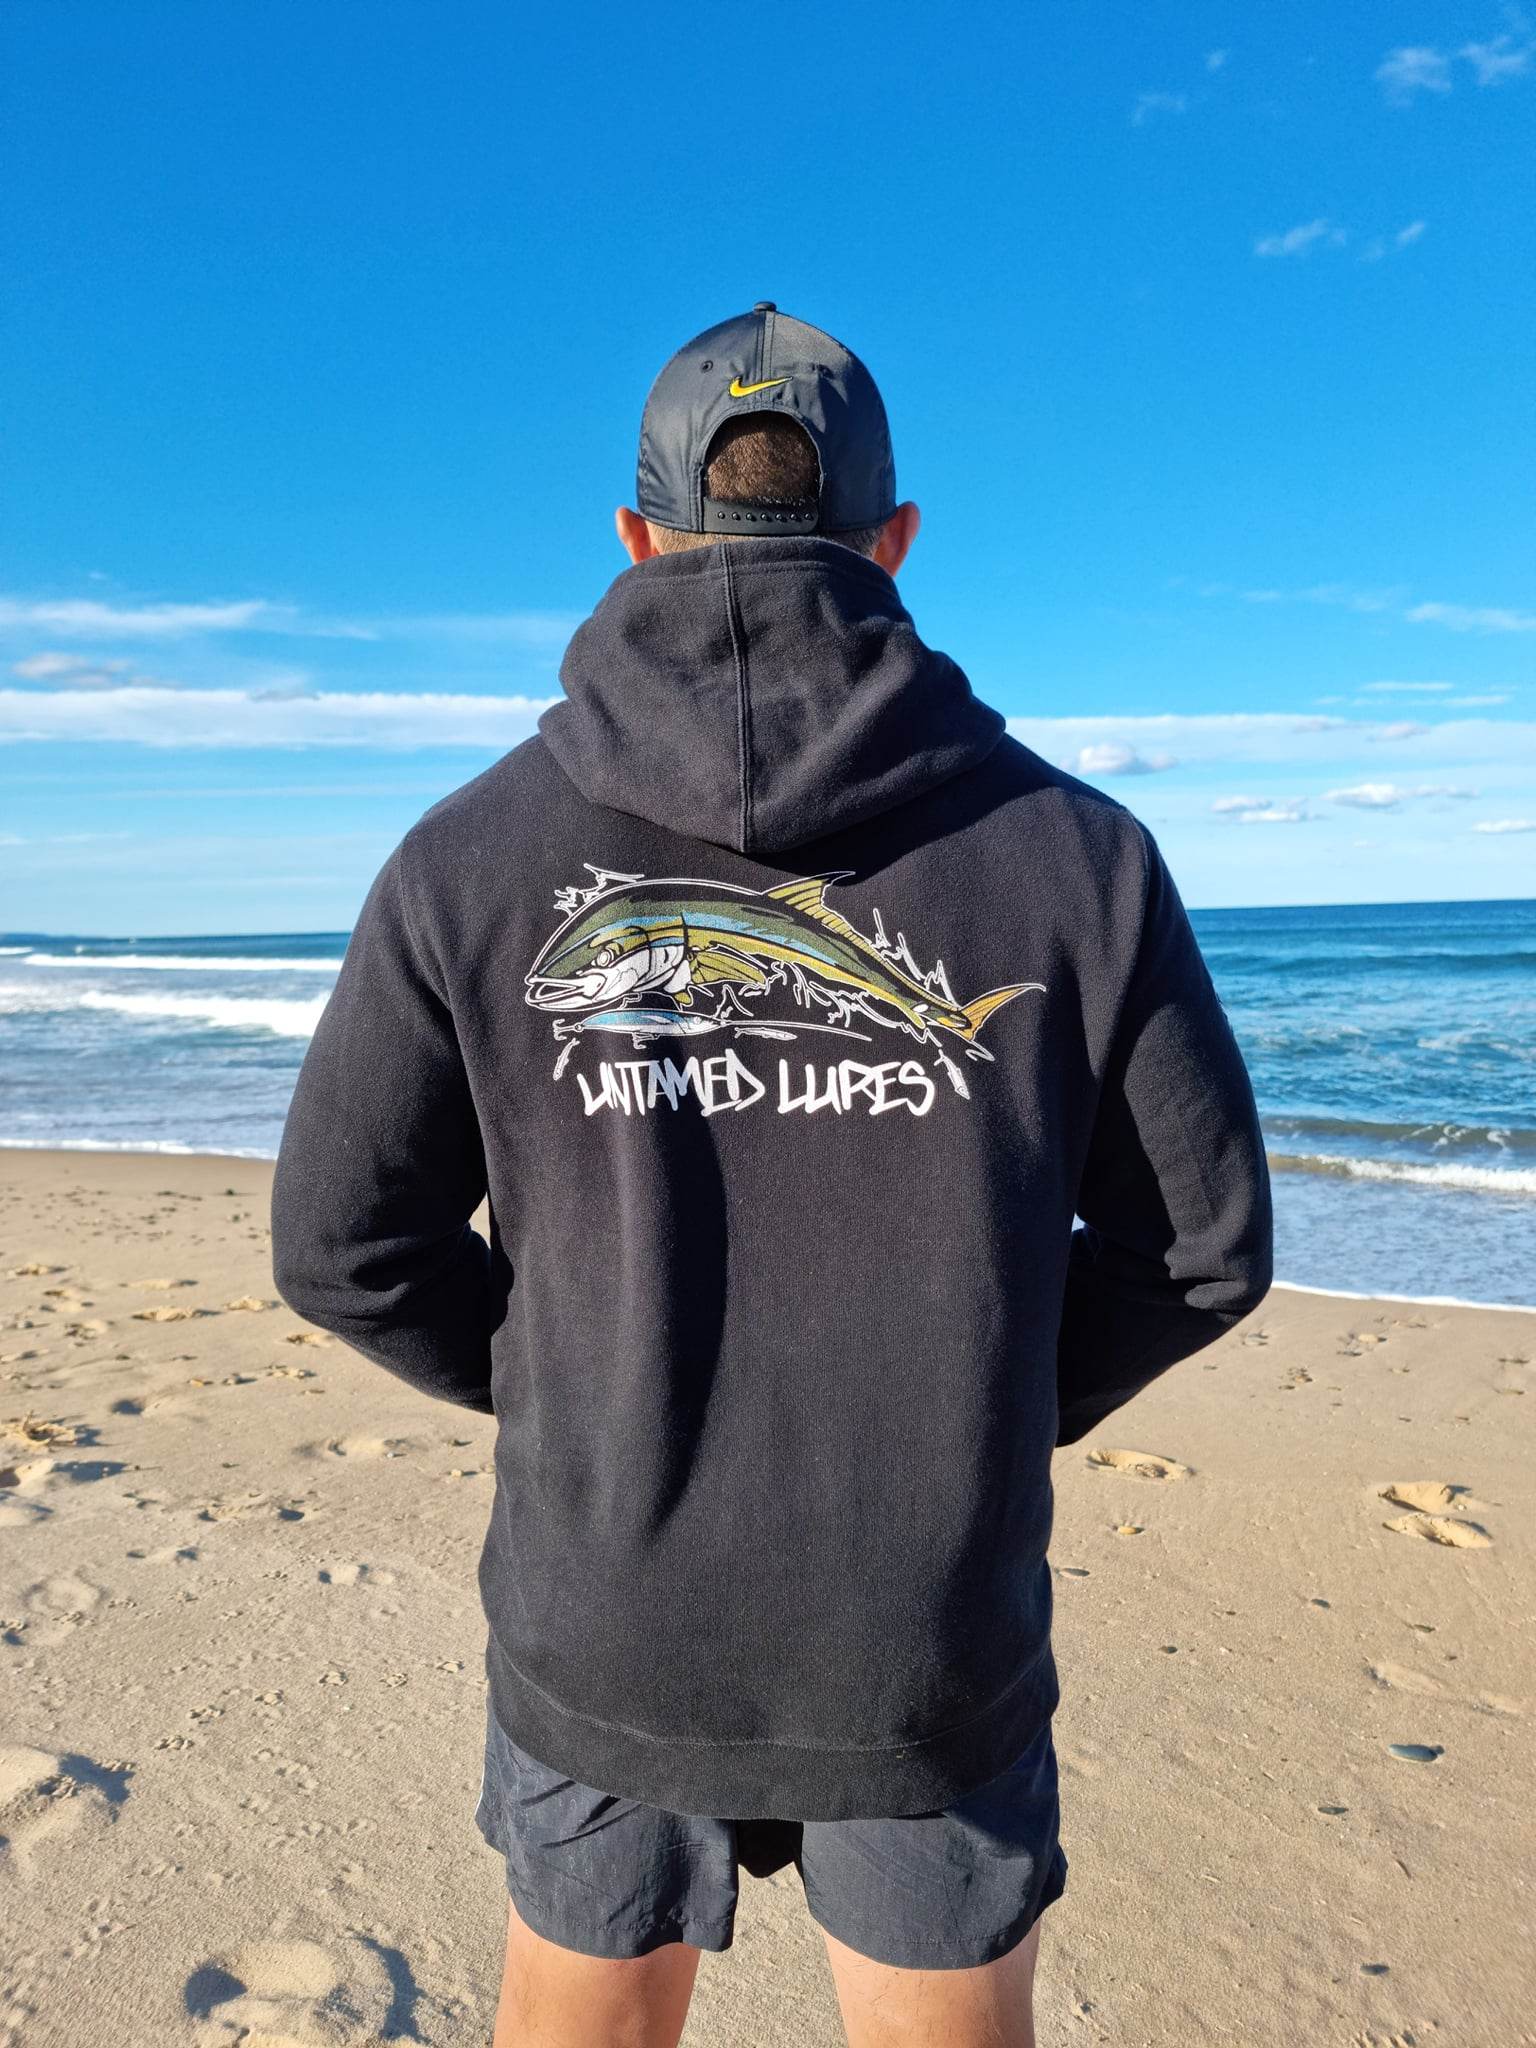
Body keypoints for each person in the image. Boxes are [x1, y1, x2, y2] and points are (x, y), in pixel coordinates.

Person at [270, 303, 1273, 2048]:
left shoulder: (462, 859)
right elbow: (1204, 1248)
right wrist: (986, 1409)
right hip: (926, 1627)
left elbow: (341, 1249)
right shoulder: (1084, 856)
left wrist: (566, 1390)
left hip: (608, 1616)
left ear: (634, 534)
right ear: (895, 540)